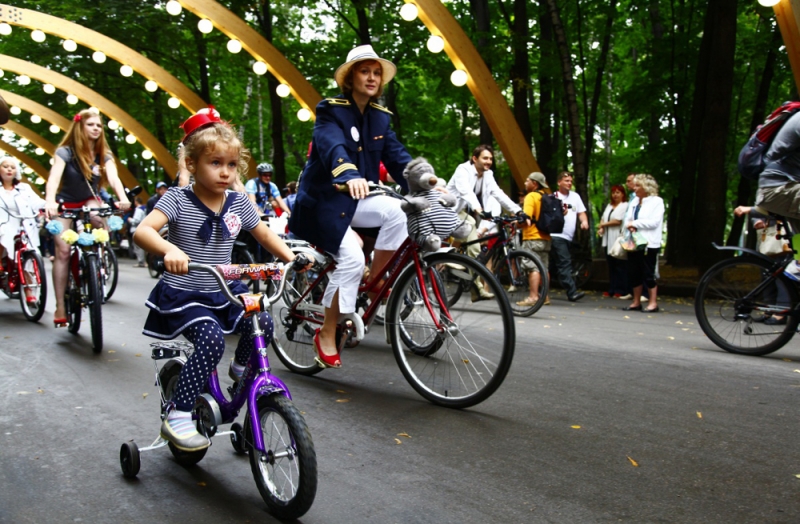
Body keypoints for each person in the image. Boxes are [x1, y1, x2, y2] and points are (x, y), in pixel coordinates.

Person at [133, 109, 300, 451]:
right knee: (210, 340)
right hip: (185, 293)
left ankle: (241, 373)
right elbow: (143, 230)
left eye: (231, 165)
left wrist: (292, 258)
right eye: (215, 163)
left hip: (224, 289)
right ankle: (178, 416)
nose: (225, 172)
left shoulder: (239, 202)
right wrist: (169, 250)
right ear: (192, 164)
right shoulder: (178, 199)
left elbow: (265, 235)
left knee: (263, 322)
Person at [289, 44, 412, 369]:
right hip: (324, 204)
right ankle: (327, 332)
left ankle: (376, 284)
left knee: (400, 212)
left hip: (356, 201)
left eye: (376, 72)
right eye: (364, 71)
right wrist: (349, 173)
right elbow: (333, 145)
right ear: (351, 77)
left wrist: (425, 181)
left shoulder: (380, 119)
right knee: (353, 259)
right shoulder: (331, 109)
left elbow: (398, 157)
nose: (371, 77)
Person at [45, 109, 131, 327]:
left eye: (99, 126)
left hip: (89, 201)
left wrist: (122, 198)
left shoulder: (105, 155)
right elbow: (54, 179)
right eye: (91, 124)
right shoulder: (65, 152)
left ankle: (96, 262)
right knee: (63, 250)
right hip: (66, 204)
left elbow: (114, 178)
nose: (96, 129)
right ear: (80, 127)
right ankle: (60, 306)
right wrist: (50, 201)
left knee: (97, 216)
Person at [446, 144, 523, 260]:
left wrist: (518, 211)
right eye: (485, 158)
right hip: (448, 211)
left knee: (474, 247)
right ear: (475, 159)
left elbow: (498, 193)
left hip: (461, 214)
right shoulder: (462, 170)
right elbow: (466, 191)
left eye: (491, 159)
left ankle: (461, 265)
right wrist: (479, 210)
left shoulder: (488, 174)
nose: (489, 161)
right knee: (469, 223)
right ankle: (445, 259)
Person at [0, 156, 45, 302]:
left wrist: (48, 206)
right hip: (3, 224)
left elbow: (36, 202)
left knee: (28, 254)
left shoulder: (24, 188)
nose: (9, 169)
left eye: (12, 167)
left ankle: (29, 290)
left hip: (24, 225)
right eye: (5, 166)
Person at [622, 174, 664, 313]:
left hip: (649, 243)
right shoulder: (634, 202)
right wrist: (630, 225)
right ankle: (636, 302)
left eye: (638, 185)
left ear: (646, 187)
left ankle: (653, 303)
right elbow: (628, 218)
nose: (634, 188)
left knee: (648, 272)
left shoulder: (657, 201)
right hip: (634, 242)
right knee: (634, 272)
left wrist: (635, 223)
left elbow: (654, 222)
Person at [550, 171, 588, 302]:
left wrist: (584, 222)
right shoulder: (553, 197)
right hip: (556, 235)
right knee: (565, 263)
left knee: (554, 265)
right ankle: (572, 292)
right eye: (566, 181)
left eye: (571, 181)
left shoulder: (575, 197)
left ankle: (541, 290)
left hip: (568, 237)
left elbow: (581, 212)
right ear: (559, 182)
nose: (569, 183)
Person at [517, 172, 551, 307]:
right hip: (545, 237)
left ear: (534, 183)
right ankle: (545, 296)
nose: (525, 183)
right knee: (544, 267)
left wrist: (515, 223)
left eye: (527, 181)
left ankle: (533, 297)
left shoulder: (531, 196)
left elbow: (527, 218)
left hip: (532, 237)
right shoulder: (546, 197)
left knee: (533, 268)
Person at [597, 184, 629, 298]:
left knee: (620, 265)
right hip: (607, 238)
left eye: (618, 193)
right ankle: (612, 288)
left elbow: (618, 221)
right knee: (611, 266)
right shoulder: (609, 206)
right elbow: (603, 217)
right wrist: (601, 228)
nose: (615, 195)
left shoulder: (624, 206)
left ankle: (621, 289)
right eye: (614, 192)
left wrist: (603, 225)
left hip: (617, 237)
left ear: (623, 194)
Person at [127, 197, 147, 267]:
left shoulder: (138, 209)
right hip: (143, 229)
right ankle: (144, 261)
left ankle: (141, 262)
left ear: (136, 202)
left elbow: (136, 220)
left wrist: (130, 220)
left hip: (136, 229)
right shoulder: (144, 208)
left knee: (138, 247)